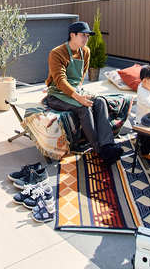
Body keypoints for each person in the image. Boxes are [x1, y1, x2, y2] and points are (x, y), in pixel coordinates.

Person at [45, 21, 124, 165]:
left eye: (87, 36)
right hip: (57, 94)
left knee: (99, 101)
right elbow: (60, 81)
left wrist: (81, 93)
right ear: (72, 35)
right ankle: (100, 150)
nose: (86, 38)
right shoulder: (57, 53)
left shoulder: (85, 51)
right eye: (83, 35)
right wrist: (78, 97)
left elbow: (80, 78)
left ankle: (108, 144)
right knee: (84, 107)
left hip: (76, 90)